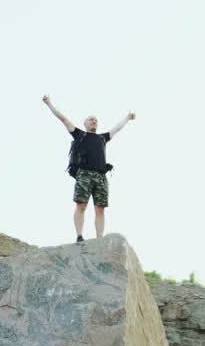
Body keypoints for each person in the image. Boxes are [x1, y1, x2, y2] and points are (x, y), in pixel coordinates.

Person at [42, 94, 135, 242]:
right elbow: (63, 119)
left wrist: (127, 118)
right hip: (84, 174)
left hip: (100, 176)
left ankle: (99, 238)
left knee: (100, 208)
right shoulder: (80, 134)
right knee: (82, 205)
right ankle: (79, 235)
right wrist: (49, 104)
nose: (94, 121)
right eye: (91, 119)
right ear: (85, 123)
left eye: (96, 120)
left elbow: (117, 128)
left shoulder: (102, 138)